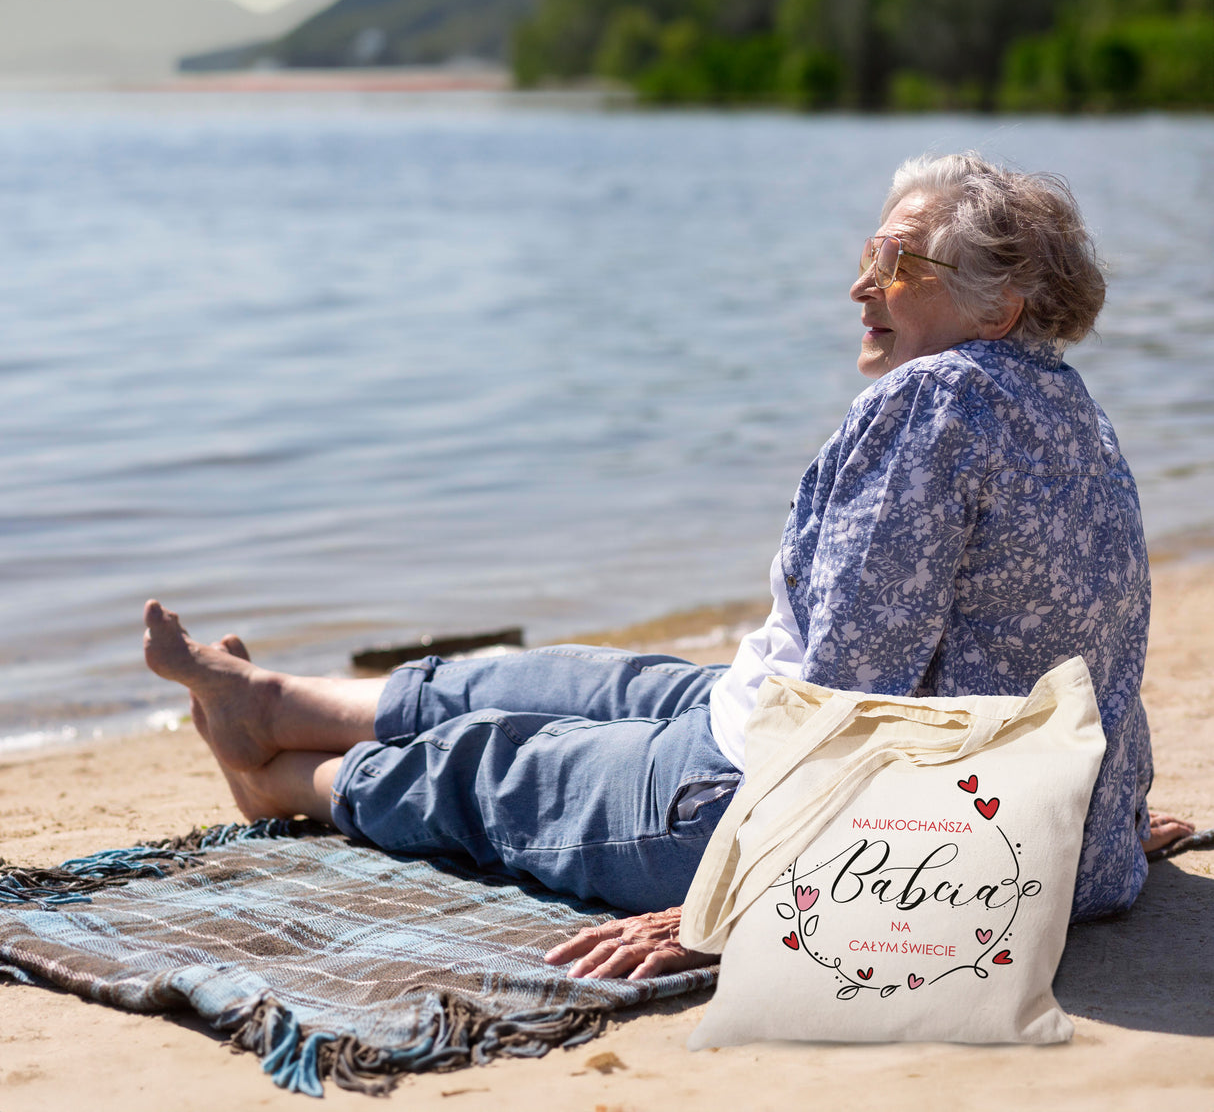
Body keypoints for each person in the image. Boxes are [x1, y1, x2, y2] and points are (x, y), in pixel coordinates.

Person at [143, 153, 1193, 983]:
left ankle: (279, 775)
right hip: (943, 798)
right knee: (603, 684)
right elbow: (1099, 652)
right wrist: (1089, 827)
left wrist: (735, 904)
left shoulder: (931, 404)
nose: (857, 285)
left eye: (895, 264)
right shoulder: (1067, 408)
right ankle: (272, 696)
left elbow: (854, 693)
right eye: (868, 255)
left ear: (995, 304)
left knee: (499, 767)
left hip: (794, 814)